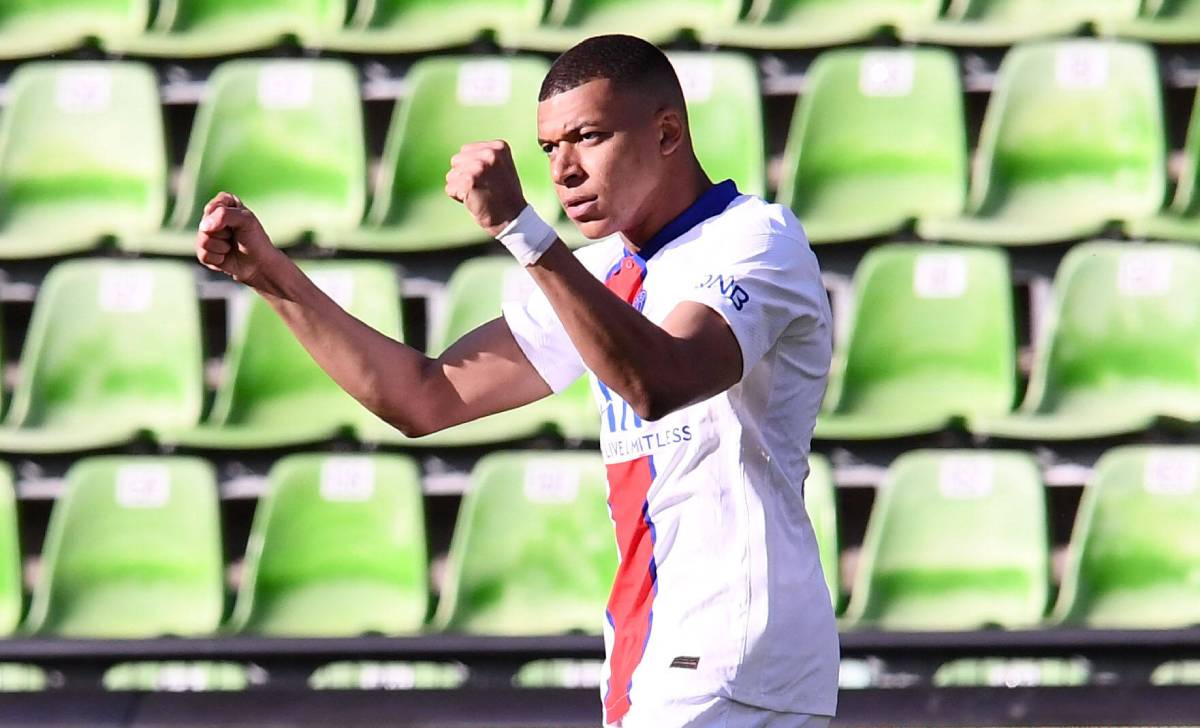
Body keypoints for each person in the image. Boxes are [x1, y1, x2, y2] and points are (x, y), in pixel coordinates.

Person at [195, 33, 838, 728]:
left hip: (734, 659)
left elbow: (661, 379)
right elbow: (424, 396)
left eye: (587, 137)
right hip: (653, 662)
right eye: (549, 149)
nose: (563, 171)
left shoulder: (756, 241)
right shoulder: (598, 276)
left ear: (667, 132)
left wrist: (523, 231)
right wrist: (272, 278)